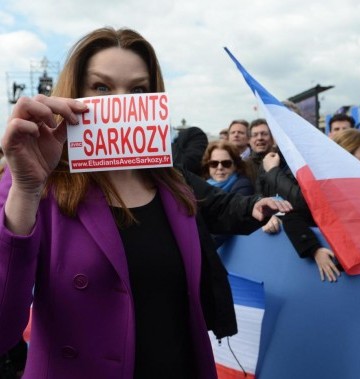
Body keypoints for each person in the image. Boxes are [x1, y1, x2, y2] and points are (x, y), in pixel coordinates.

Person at [0, 27, 292, 379]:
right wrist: (26, 189)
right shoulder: (33, 182)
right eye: (102, 88)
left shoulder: (171, 181)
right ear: (74, 94)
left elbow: (217, 205)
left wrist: (252, 207)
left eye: (137, 90)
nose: (119, 104)